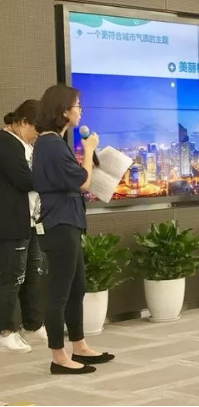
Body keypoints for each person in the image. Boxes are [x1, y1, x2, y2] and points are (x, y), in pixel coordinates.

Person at [32, 85, 114, 374]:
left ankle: (79, 345)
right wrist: (89, 150)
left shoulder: (53, 142)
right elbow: (81, 181)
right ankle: (59, 356)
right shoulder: (51, 144)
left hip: (68, 220)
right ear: (64, 111)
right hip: (60, 222)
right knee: (60, 292)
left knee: (76, 287)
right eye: (77, 105)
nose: (80, 111)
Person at [0, 100, 47, 353]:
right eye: (35, 128)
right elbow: (24, 180)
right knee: (11, 278)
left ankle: (33, 324)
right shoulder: (6, 142)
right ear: (21, 122)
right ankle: (5, 332)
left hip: (30, 221)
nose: (38, 134)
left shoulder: (25, 144)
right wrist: (50, 174)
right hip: (11, 223)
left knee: (32, 275)